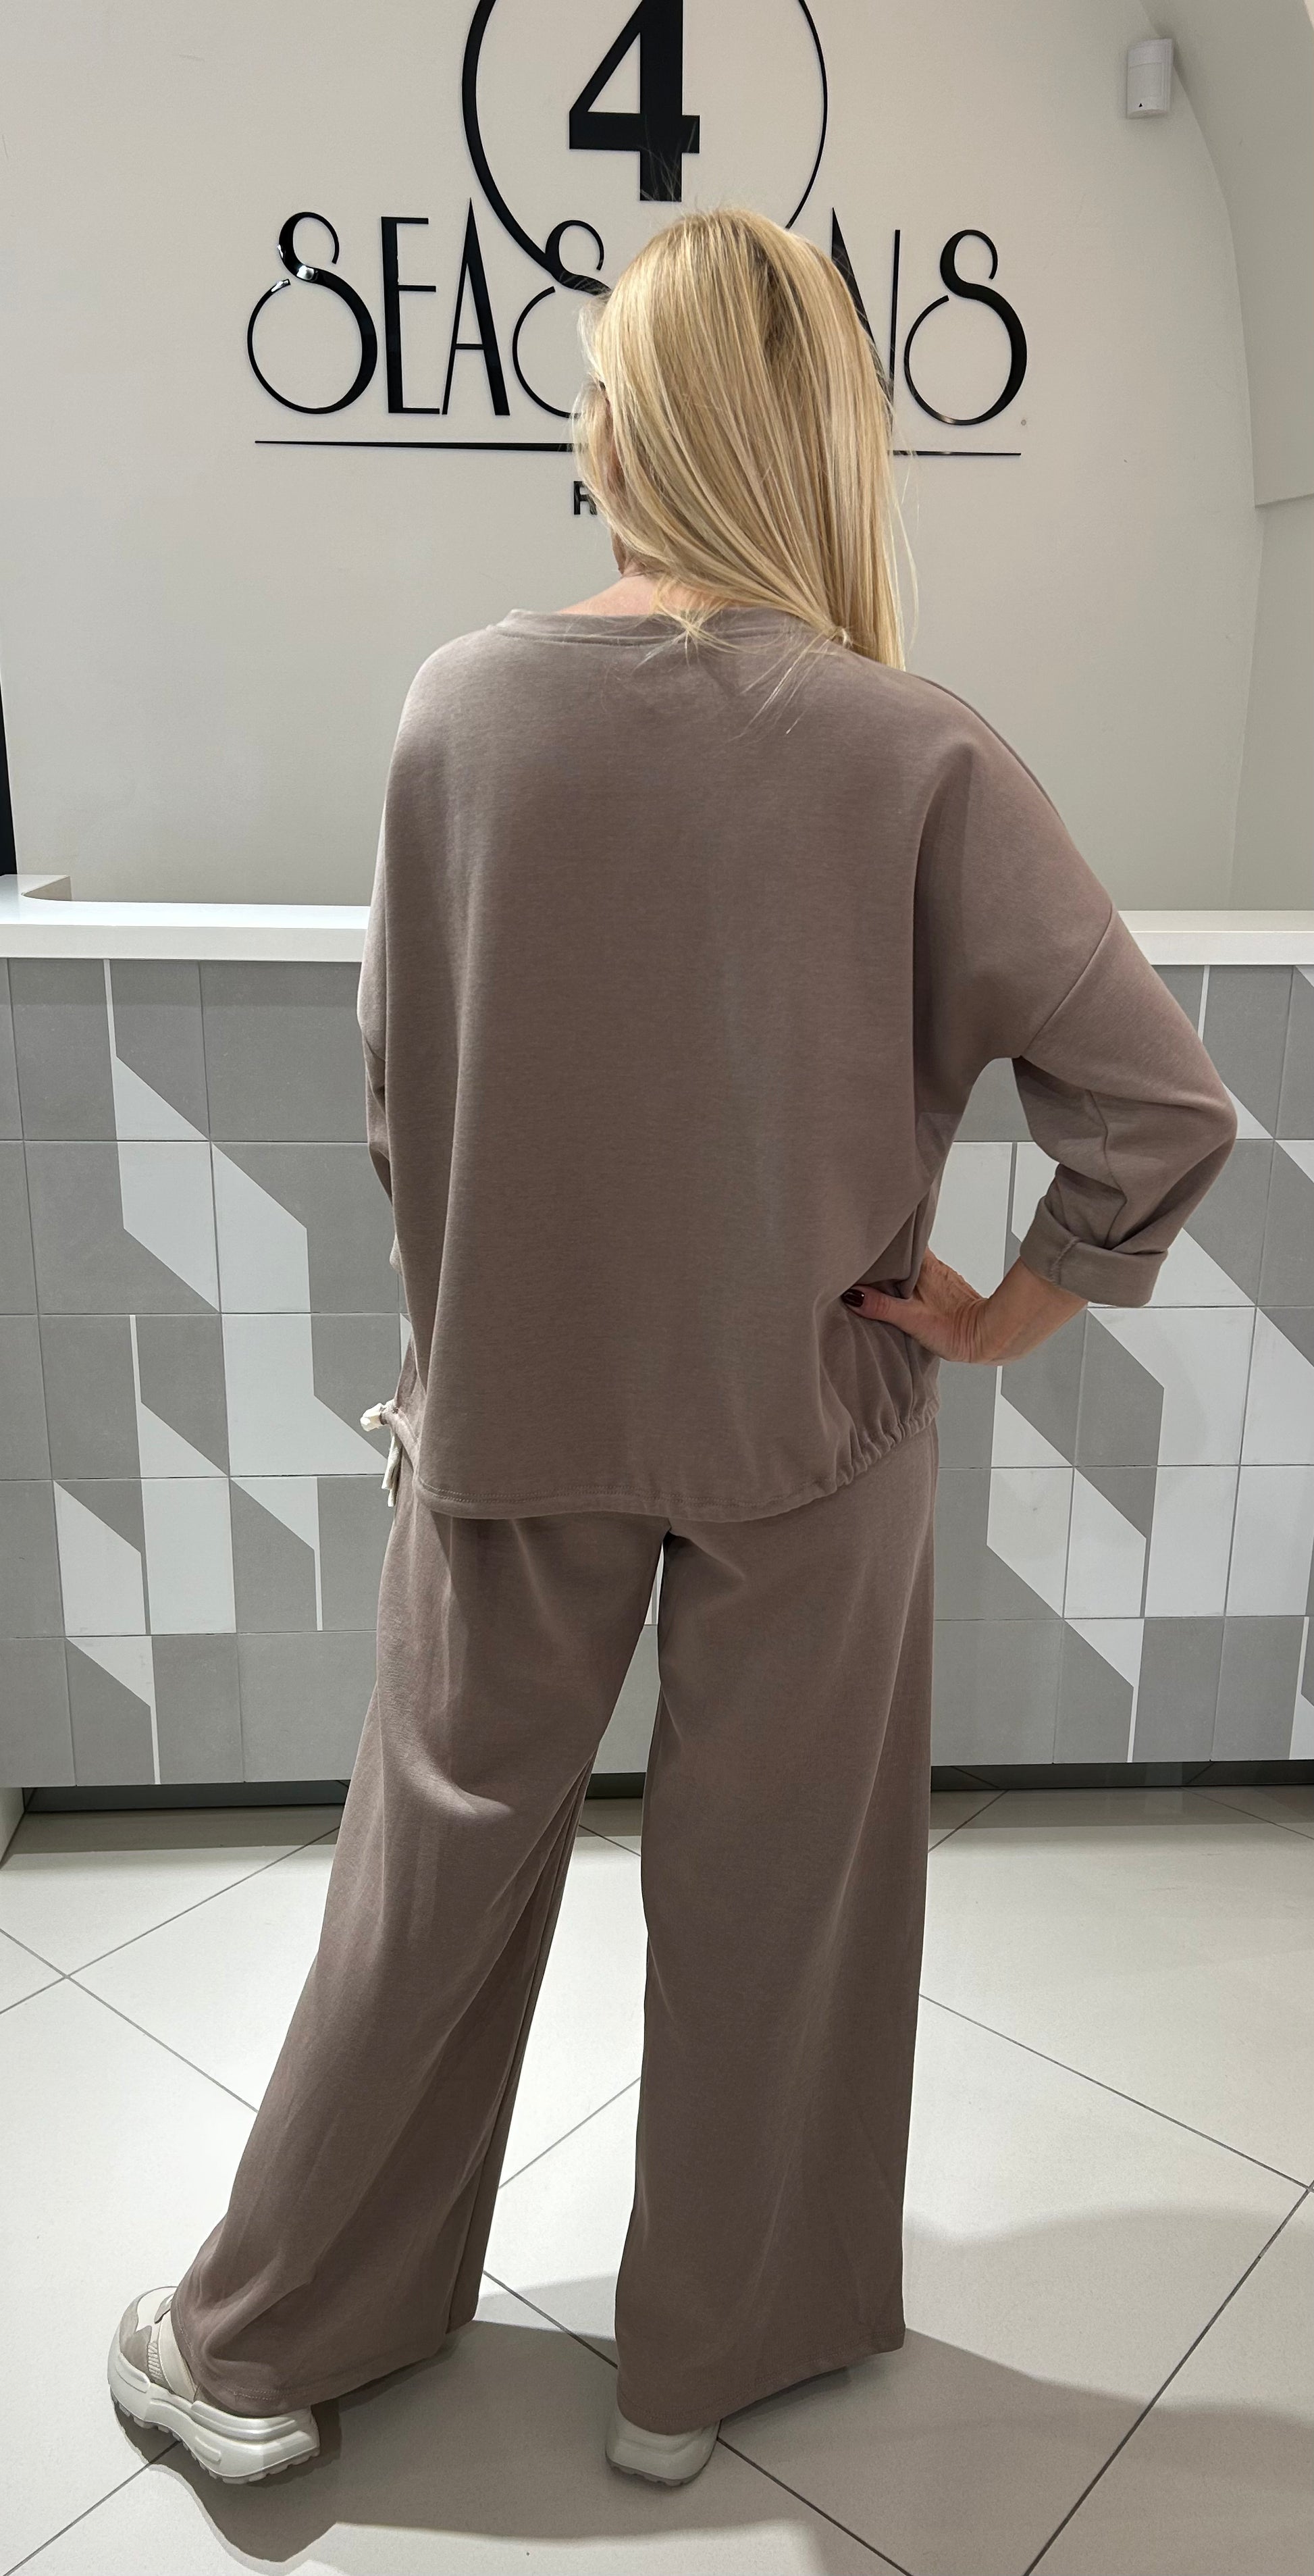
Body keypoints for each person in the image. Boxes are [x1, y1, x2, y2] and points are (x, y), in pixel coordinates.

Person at [109, 205, 1236, 2491]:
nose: (580, 423)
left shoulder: (460, 709)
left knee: (429, 1879)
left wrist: (471, 1325)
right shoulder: (914, 748)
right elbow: (1155, 1101)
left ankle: (265, 2341)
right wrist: (1009, 1310)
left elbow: (402, 1088)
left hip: (515, 1404)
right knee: (781, 1897)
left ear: (642, 429)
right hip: (813, 1414)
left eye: (599, 387)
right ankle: (697, 2370)